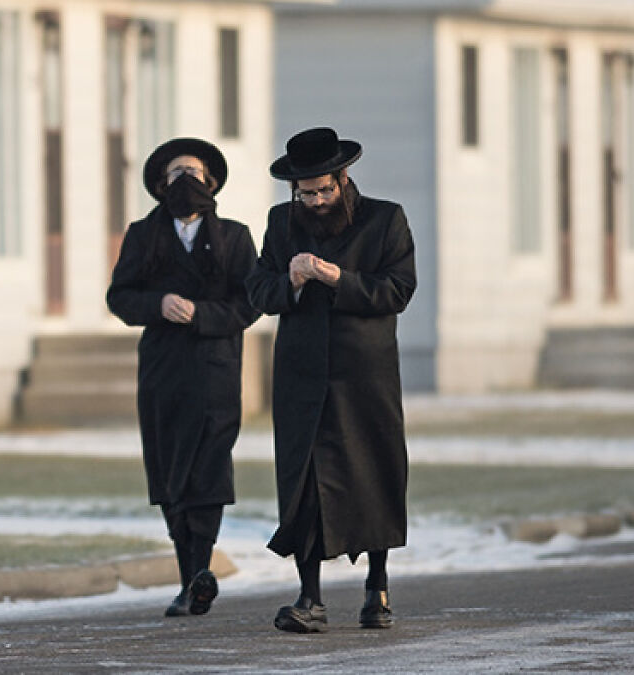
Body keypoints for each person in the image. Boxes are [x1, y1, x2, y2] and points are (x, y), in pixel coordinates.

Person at [245, 127, 416, 633]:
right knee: (305, 481)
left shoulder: (386, 219)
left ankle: (377, 587)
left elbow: (398, 290)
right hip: (301, 373)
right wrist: (291, 280)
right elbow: (259, 291)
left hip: (366, 373)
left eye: (325, 190)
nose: (317, 201)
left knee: (374, 472)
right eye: (307, 193)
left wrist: (338, 278)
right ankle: (309, 597)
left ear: (344, 179)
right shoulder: (282, 222)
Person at [107, 137, 261, 618]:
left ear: (210, 181)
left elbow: (250, 302)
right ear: (160, 184)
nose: (186, 181)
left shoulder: (235, 237)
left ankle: (199, 570)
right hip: (164, 371)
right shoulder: (142, 234)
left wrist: (201, 313)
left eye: (194, 172)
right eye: (176, 174)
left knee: (209, 468)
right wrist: (157, 304)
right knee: (171, 470)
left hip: (216, 368)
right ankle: (189, 575)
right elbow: (120, 297)